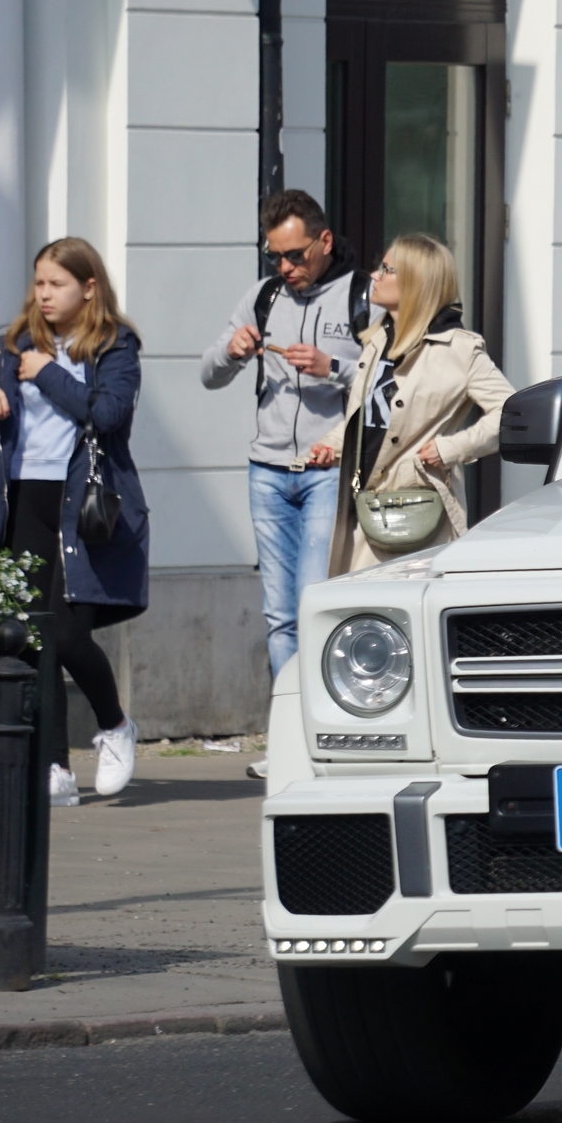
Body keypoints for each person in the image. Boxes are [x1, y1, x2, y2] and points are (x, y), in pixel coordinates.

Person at [0, 238, 149, 804]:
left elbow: (108, 414)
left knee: (70, 634)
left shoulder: (114, 345)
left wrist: (49, 373)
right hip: (23, 498)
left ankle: (115, 725)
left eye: (56, 284)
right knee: (30, 638)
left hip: (81, 503)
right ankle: (54, 768)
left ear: (89, 288)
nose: (44, 294)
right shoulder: (15, 343)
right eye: (39, 283)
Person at [201, 189, 366, 778]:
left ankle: (325, 737)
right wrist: (233, 349)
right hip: (267, 471)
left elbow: (394, 384)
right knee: (278, 615)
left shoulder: (363, 297)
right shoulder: (264, 297)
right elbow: (208, 373)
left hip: (326, 473)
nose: (286, 269)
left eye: (295, 255)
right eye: (276, 256)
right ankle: (291, 740)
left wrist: (334, 368)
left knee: (314, 605)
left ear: (323, 242)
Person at [308, 233, 513, 574]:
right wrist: (331, 445)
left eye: (386, 269)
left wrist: (452, 448)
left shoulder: (459, 349)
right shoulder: (378, 341)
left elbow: (511, 412)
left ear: (416, 282)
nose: (374, 275)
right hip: (364, 510)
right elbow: (367, 420)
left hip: (418, 515)